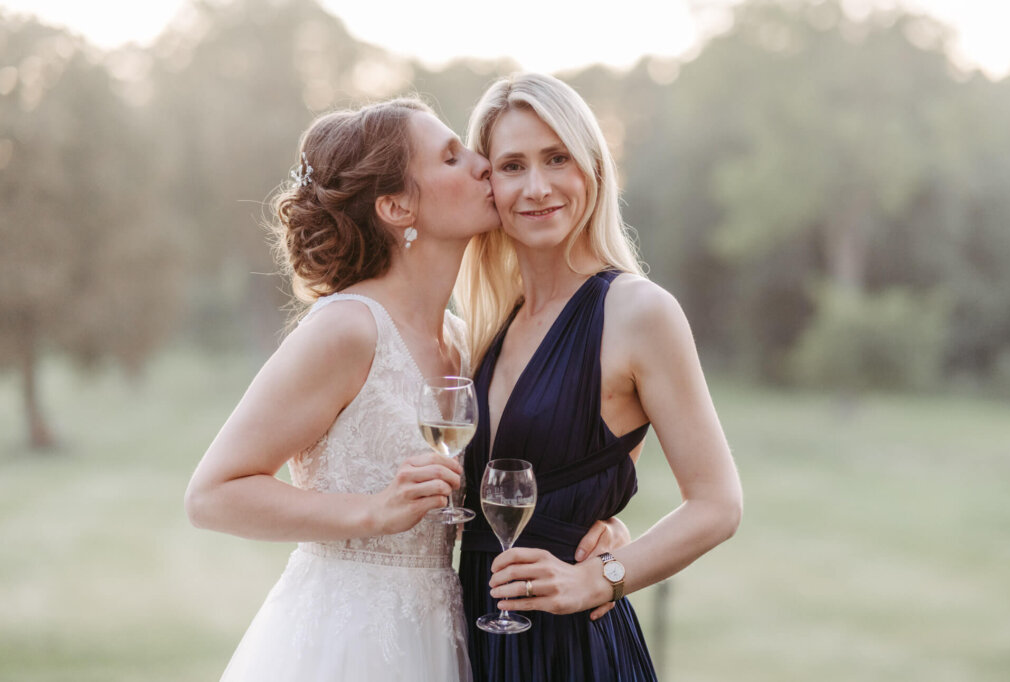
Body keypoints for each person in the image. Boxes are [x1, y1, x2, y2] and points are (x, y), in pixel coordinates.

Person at [184, 97, 497, 681]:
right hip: (343, 639)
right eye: (452, 157)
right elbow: (211, 495)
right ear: (397, 206)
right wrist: (373, 512)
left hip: (437, 632)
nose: (484, 164)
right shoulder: (347, 328)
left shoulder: (461, 339)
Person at [453, 73, 744, 681]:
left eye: (556, 158)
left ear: (592, 167)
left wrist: (599, 578)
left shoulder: (638, 312)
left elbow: (717, 503)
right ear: (489, 184)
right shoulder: (488, 327)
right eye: (511, 165)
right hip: (475, 637)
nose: (537, 187)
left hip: (573, 651)